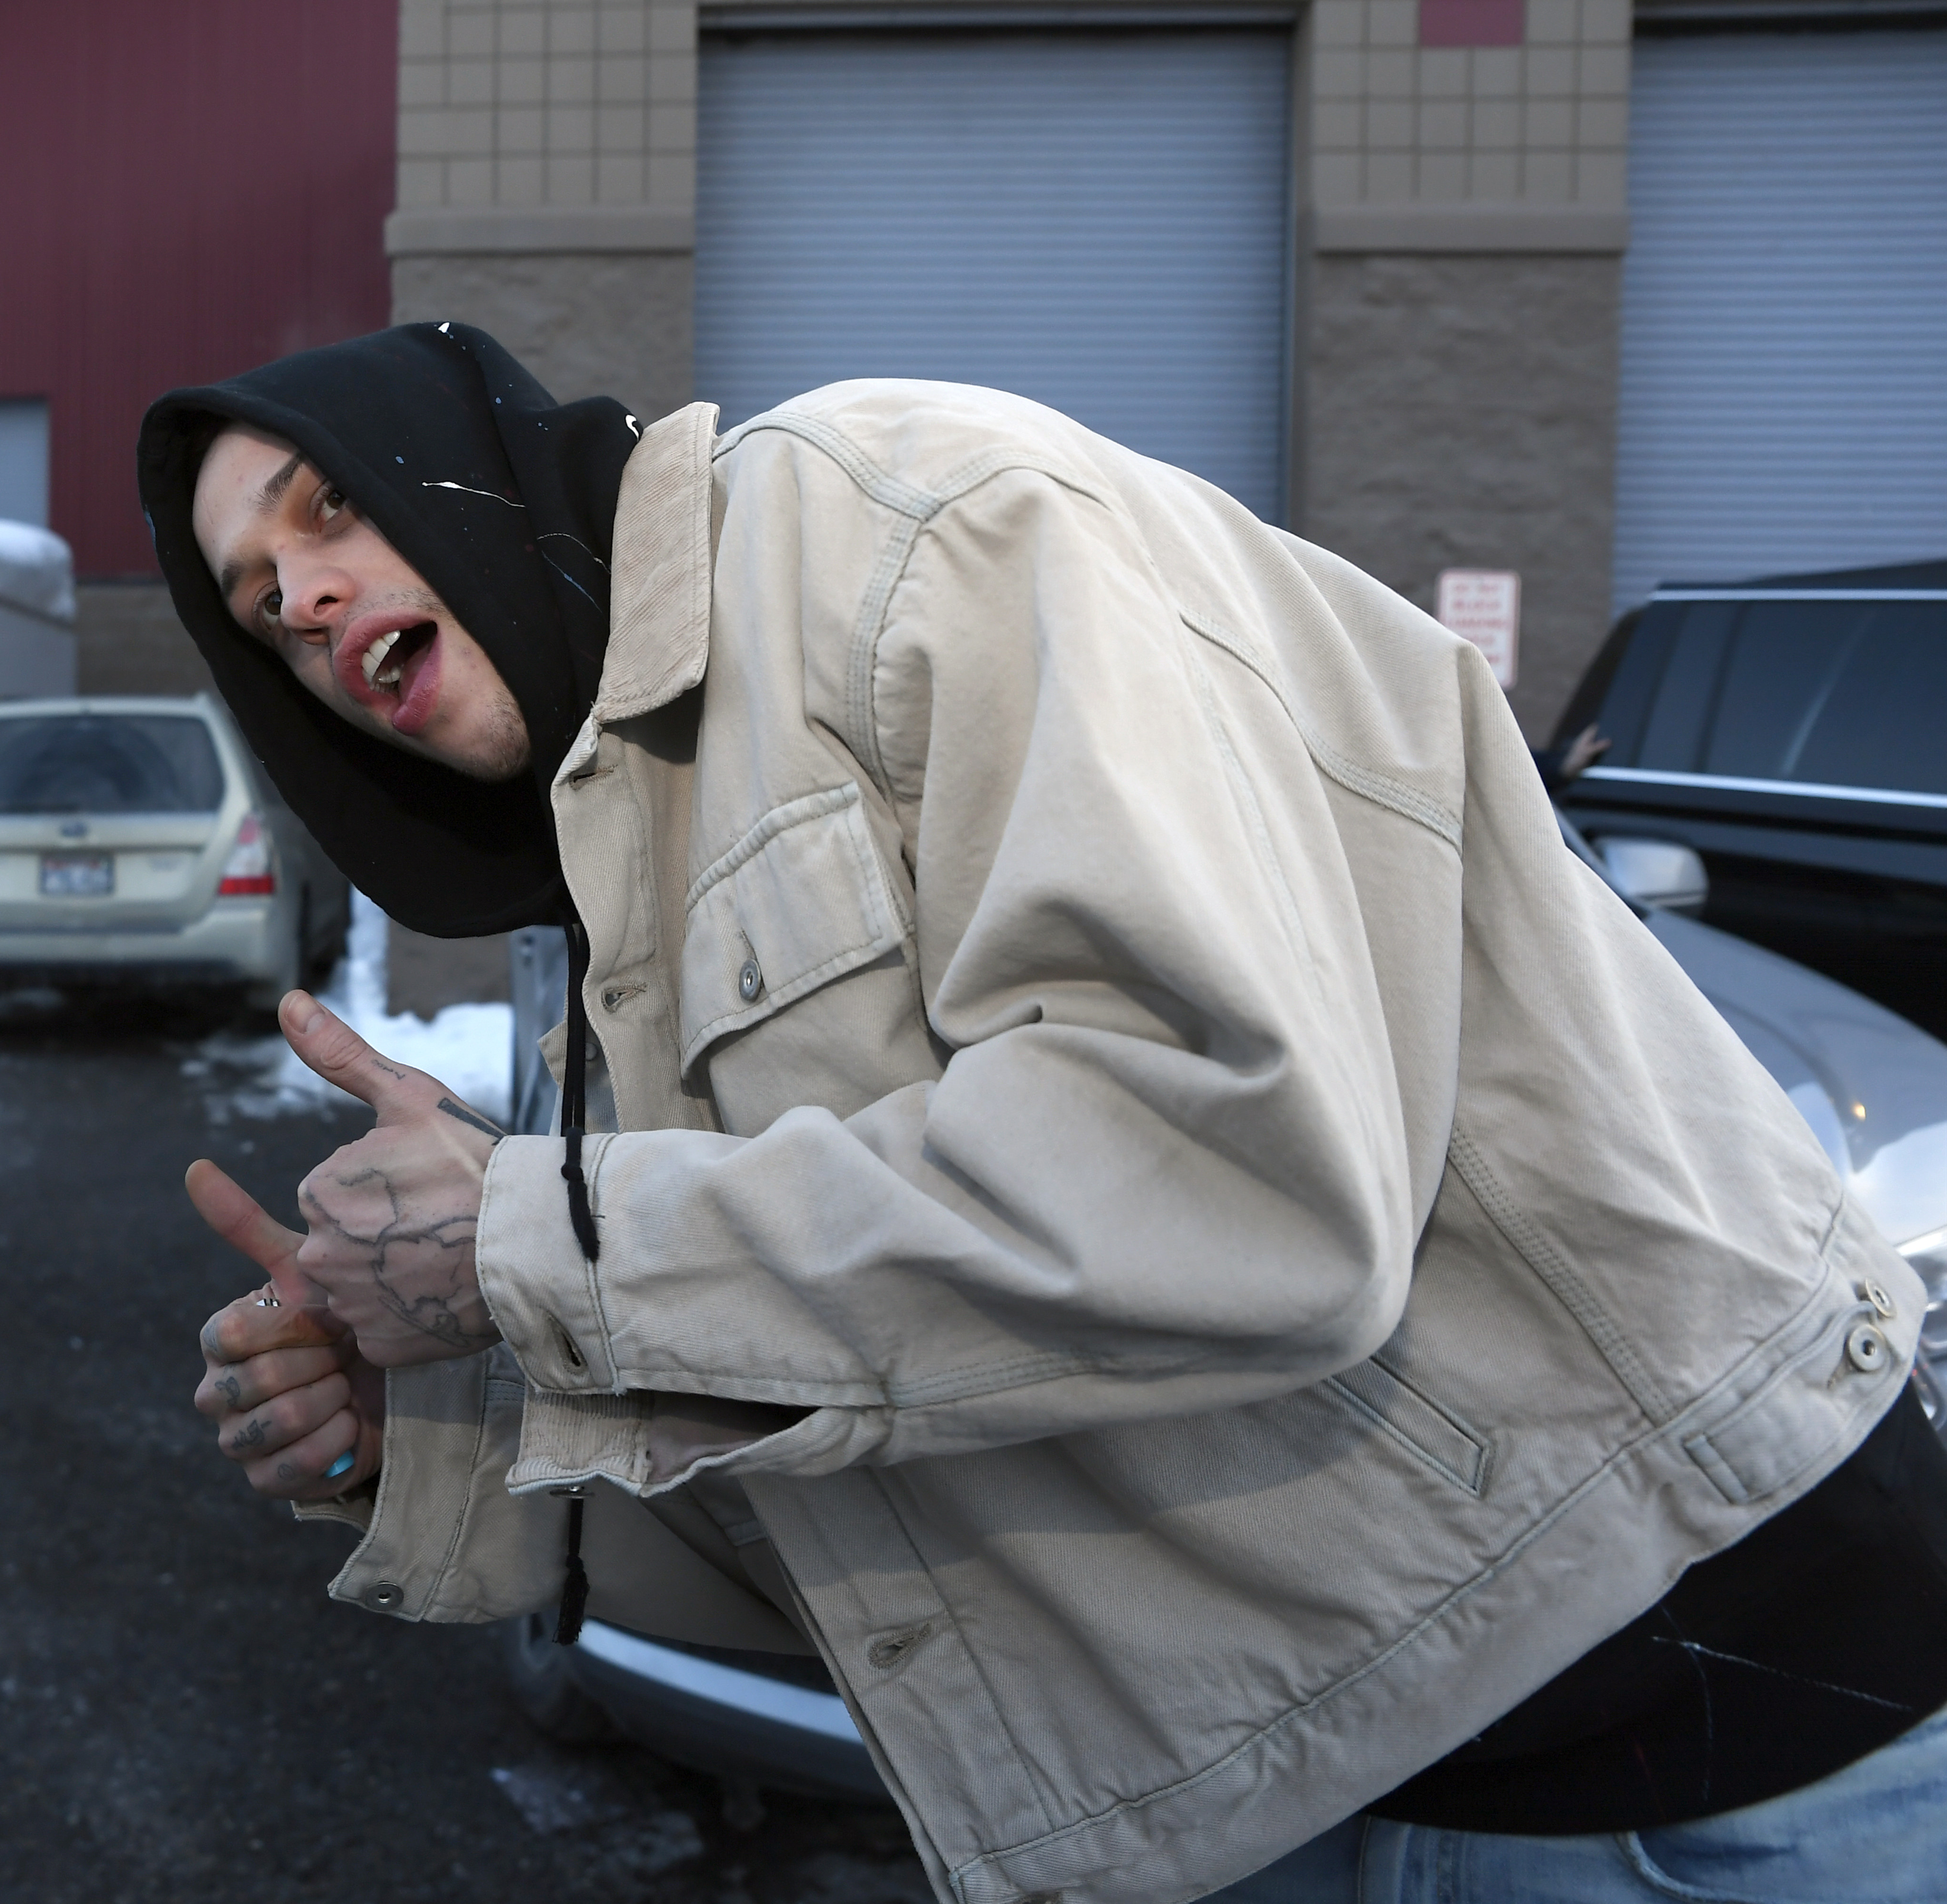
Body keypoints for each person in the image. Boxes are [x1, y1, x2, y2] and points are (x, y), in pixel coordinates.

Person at [140, 326, 1947, 1904]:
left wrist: (529, 1238)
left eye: (324, 506)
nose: (298, 597)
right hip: (1290, 1790)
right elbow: (899, 1426)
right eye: (252, 605)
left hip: (1712, 1753)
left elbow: (1236, 1183)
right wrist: (449, 1396)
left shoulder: (899, 522)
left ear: (462, 452)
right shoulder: (630, 867)